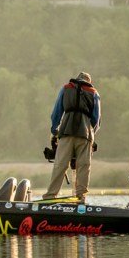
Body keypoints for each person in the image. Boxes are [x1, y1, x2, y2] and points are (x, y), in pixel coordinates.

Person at [42, 72, 101, 202]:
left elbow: (56, 113)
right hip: (85, 134)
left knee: (60, 165)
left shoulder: (66, 88)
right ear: (88, 81)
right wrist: (92, 133)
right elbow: (96, 119)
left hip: (66, 132)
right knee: (84, 166)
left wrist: (55, 131)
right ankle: (81, 196)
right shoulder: (94, 92)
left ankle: (50, 196)